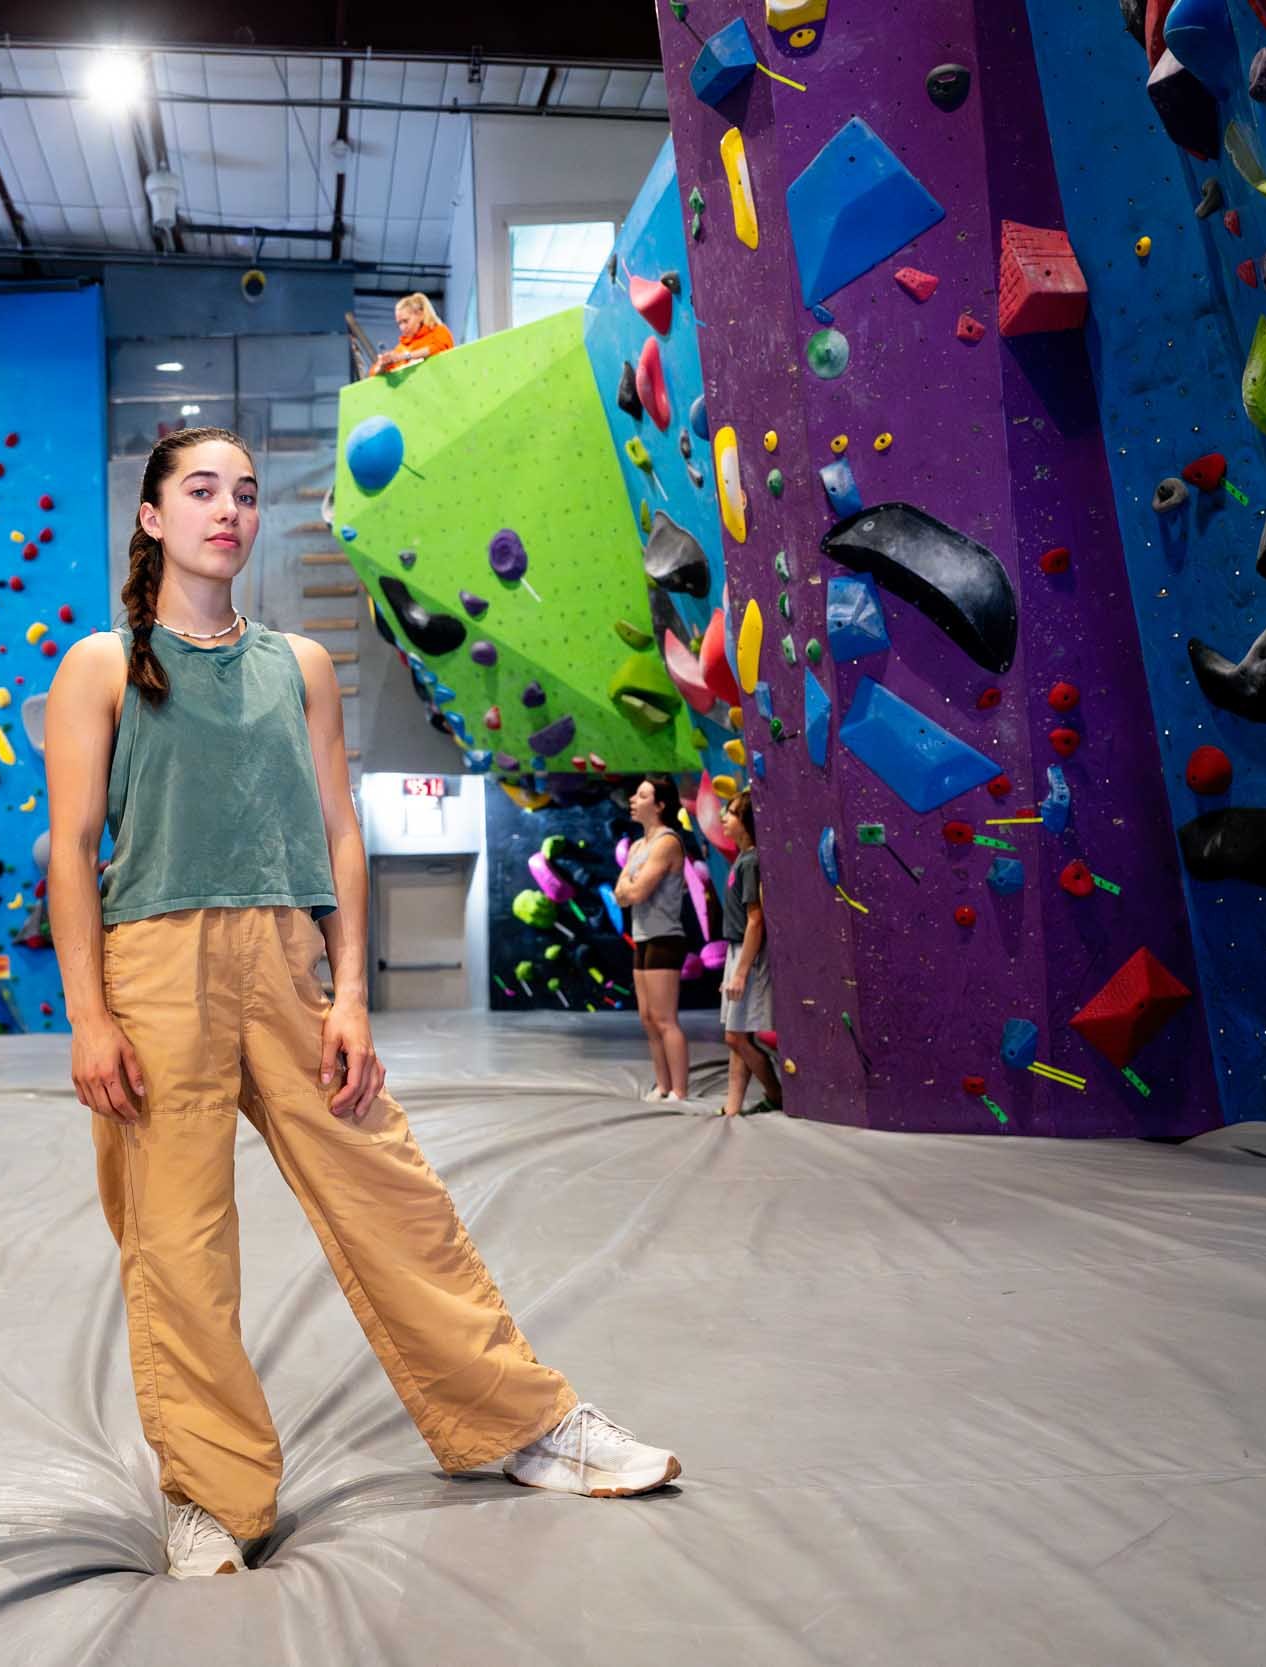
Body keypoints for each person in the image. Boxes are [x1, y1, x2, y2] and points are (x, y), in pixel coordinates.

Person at [44, 426, 681, 1582]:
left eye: (243, 492)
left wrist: (348, 996)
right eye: (199, 490)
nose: (226, 509)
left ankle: (522, 1420)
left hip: (285, 962)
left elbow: (343, 833)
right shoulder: (100, 665)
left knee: (392, 1192)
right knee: (176, 1242)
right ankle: (210, 1496)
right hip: (153, 970)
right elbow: (74, 850)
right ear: (150, 517)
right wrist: (88, 1015)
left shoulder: (301, 665)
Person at [612, 776, 694, 1104]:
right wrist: (628, 890)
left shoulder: (666, 842)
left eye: (642, 795)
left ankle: (680, 1089)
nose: (633, 799)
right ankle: (662, 1085)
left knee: (664, 1019)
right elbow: (620, 893)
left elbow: (638, 890)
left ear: (659, 805)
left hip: (664, 936)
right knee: (647, 1018)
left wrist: (629, 889)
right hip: (643, 936)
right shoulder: (636, 847)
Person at [716, 792, 782, 1117]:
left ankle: (776, 1093)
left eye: (730, 813)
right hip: (736, 951)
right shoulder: (741, 859)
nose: (723, 818)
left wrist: (741, 971)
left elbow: (756, 920)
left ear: (745, 822)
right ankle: (732, 1107)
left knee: (737, 1037)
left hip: (749, 955)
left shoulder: (752, 861)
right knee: (736, 1036)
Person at [369, 292, 454, 374]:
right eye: (399, 323)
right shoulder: (401, 348)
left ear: (420, 315)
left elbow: (438, 348)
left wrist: (405, 356)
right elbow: (373, 372)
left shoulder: (439, 331)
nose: (402, 327)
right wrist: (382, 365)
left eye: (406, 321)